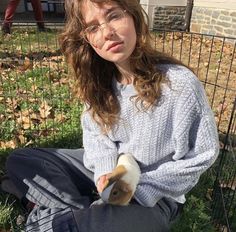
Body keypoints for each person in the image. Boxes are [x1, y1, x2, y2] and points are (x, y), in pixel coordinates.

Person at [0, 0, 219, 231]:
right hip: (110, 175)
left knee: (66, 225)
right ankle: (85, 213)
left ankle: (64, 214)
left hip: (156, 196)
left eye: (114, 16)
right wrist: (105, 173)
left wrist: (137, 189)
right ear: (86, 38)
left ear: (133, 16)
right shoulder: (98, 82)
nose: (107, 33)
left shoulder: (179, 84)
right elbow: (96, 137)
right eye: (93, 27)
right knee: (21, 161)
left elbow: (202, 155)